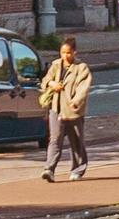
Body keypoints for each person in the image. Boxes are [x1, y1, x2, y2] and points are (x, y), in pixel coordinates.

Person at [39, 36, 92, 181]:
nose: (65, 56)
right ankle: (49, 169)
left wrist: (76, 101)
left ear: (74, 52)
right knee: (55, 139)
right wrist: (51, 84)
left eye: (68, 52)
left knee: (76, 141)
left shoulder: (81, 68)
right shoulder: (56, 65)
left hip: (73, 111)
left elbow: (83, 88)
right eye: (63, 52)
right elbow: (45, 81)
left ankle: (78, 169)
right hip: (56, 109)